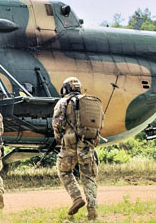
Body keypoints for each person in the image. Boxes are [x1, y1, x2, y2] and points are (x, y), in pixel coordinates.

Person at [53, 77, 103, 220]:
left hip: (69, 144)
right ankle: (92, 209)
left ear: (65, 89)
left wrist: (59, 138)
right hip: (87, 143)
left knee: (64, 171)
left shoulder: (62, 102)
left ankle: (76, 197)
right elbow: (100, 123)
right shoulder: (91, 102)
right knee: (89, 176)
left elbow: (57, 124)